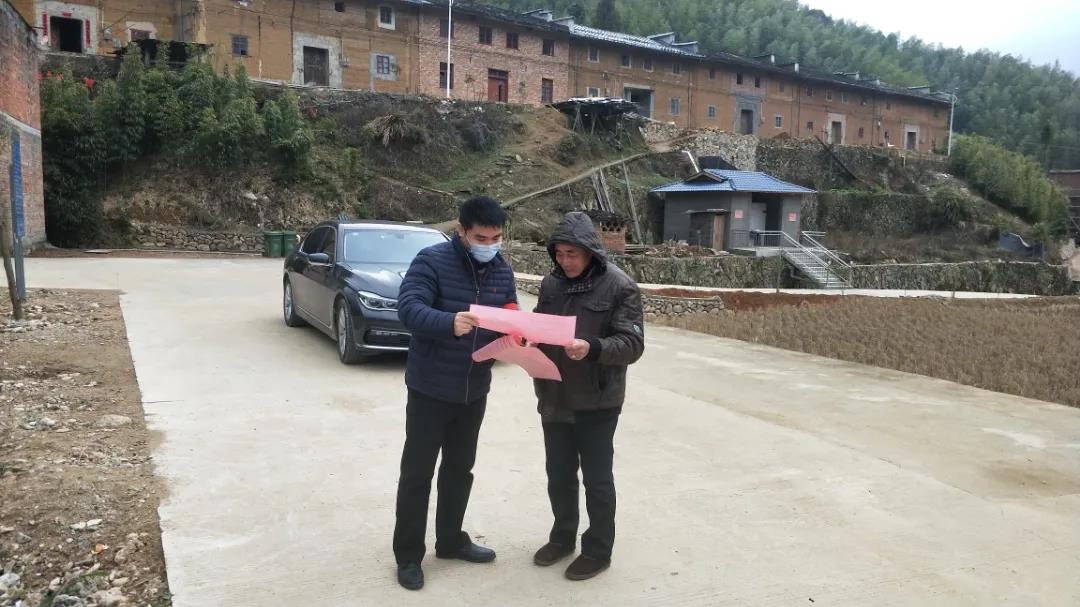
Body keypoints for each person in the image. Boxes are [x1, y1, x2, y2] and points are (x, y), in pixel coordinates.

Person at [392, 197, 517, 591]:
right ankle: (408, 556)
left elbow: (510, 312)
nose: (489, 245)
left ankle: (450, 541)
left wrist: (519, 333)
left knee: (460, 471)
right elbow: (408, 308)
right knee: (418, 474)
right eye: (481, 238)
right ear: (462, 231)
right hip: (430, 388)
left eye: (496, 238)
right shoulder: (431, 261)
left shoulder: (502, 270)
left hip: (474, 390)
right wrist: (449, 322)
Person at [531, 211, 645, 581]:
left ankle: (597, 550)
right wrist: (524, 337)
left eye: (572, 254)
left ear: (590, 252)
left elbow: (632, 344)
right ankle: (562, 537)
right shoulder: (551, 284)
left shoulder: (620, 286)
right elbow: (540, 323)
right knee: (559, 474)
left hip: (598, 399)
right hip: (554, 393)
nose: (565, 261)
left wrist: (592, 347)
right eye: (559, 254)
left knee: (597, 480)